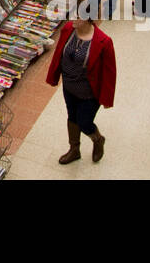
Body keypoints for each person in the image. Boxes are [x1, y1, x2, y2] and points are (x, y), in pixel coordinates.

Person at [45, 15, 116, 164]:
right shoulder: (68, 29)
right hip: (69, 87)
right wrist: (53, 75)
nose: (73, 19)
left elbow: (110, 73)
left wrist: (107, 99)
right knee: (72, 117)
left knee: (84, 122)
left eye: (78, 16)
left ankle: (98, 139)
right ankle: (74, 150)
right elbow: (59, 53)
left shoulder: (104, 42)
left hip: (89, 93)